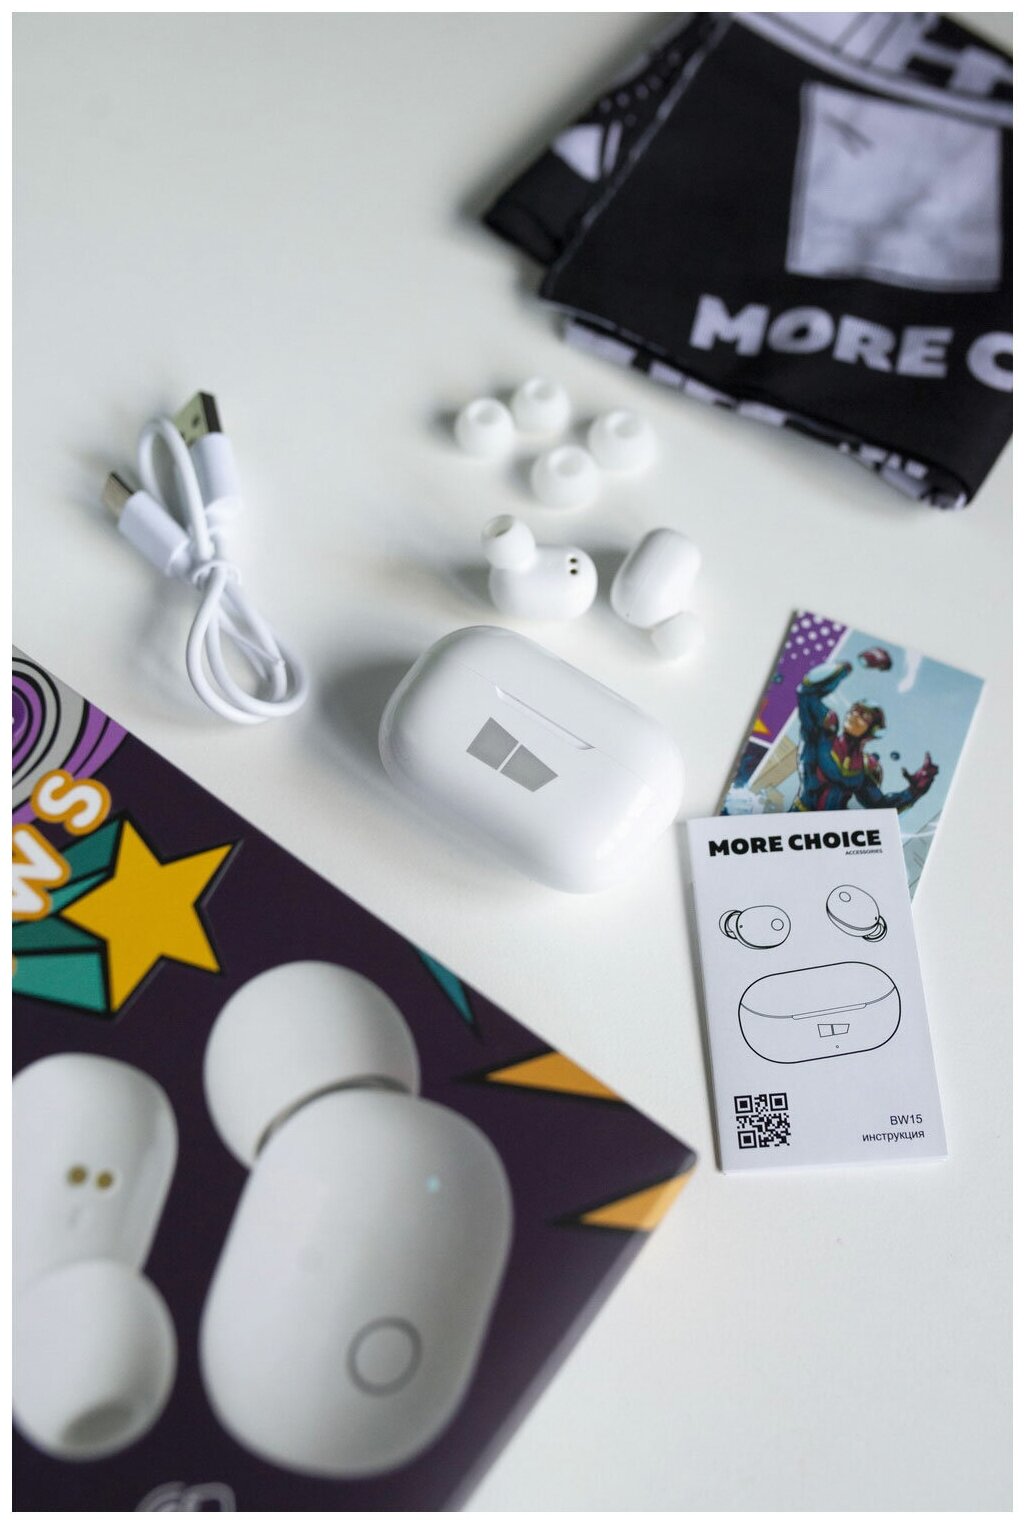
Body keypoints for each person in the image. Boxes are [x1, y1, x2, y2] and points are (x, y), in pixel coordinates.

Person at [790, 660, 937, 813]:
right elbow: (807, 695)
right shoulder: (821, 736)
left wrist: (915, 791)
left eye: (863, 716)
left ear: (872, 730)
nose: (854, 716)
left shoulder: (864, 767)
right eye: (853, 711)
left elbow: (880, 806)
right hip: (800, 815)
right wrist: (839, 672)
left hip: (831, 825)